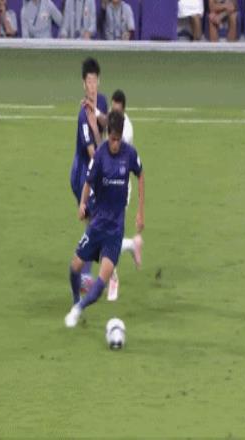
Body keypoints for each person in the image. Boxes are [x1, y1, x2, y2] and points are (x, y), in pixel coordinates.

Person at [64, 110, 145, 328]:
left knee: (101, 283)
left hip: (115, 232)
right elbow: (88, 182)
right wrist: (82, 204)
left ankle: (77, 310)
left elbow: (140, 174)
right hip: (97, 225)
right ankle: (76, 300)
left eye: (118, 139)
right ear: (108, 134)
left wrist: (140, 212)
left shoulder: (129, 154)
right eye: (113, 139)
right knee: (74, 266)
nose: (115, 144)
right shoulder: (100, 155)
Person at [70, 57, 108, 291]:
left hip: (93, 172)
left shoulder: (101, 102)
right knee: (95, 221)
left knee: (95, 221)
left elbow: (108, 125)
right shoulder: (83, 115)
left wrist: (99, 116)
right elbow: (93, 152)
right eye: (88, 82)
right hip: (82, 174)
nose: (92, 86)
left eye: (95, 81)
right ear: (83, 84)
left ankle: (84, 270)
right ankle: (83, 273)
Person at [106, 89, 142, 301]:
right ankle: (131, 245)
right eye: (113, 110)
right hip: (106, 186)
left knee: (108, 235)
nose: (114, 114)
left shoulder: (126, 131)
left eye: (117, 111)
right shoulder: (111, 120)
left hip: (119, 188)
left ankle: (113, 278)